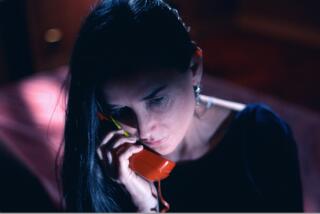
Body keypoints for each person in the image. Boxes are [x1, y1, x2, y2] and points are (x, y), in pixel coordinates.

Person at [61, 0, 303, 212]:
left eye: (157, 100)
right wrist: (145, 208)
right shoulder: (106, 159)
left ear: (194, 68)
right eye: (120, 111)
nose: (143, 132)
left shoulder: (262, 136)